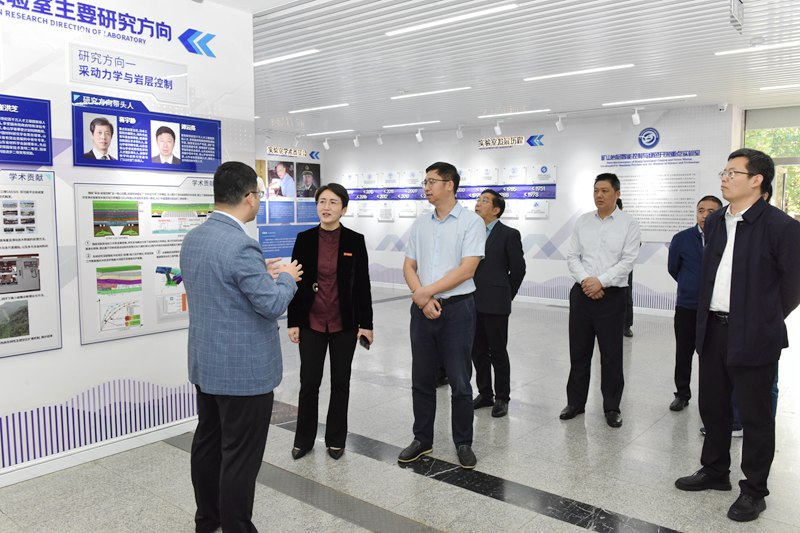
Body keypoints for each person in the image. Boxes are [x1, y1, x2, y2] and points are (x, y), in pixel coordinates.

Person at [675, 148, 800, 523]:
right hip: (713, 329)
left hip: (755, 334)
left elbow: (793, 284)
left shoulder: (781, 226)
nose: (725, 178)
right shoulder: (716, 222)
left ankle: (754, 490)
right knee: (713, 407)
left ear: (757, 180)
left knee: (755, 416)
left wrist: (764, 318)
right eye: (724, 171)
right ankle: (714, 471)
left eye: (733, 172)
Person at [180, 161, 302, 532]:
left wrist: (261, 276)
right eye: (259, 196)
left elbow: (223, 289)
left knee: (208, 443)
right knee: (240, 457)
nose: (259, 202)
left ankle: (208, 520)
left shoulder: (194, 238)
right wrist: (287, 279)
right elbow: (272, 304)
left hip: (207, 365)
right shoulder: (242, 245)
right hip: (243, 375)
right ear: (249, 197)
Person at [398, 162, 485, 469]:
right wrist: (422, 298)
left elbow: (467, 269)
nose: (426, 187)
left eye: (432, 181)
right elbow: (409, 265)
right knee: (421, 378)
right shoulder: (421, 223)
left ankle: (463, 442)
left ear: (450, 185)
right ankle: (422, 438)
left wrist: (426, 292)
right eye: (425, 182)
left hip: (457, 310)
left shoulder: (471, 222)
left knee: (460, 380)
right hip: (423, 310)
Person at [287, 183, 373, 461]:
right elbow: (296, 283)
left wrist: (367, 324)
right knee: (309, 382)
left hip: (343, 323)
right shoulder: (304, 239)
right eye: (322, 201)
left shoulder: (355, 241)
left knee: (341, 383)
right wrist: (293, 321)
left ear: (344, 209)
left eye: (333, 202)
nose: (326, 207)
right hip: (311, 322)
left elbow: (362, 285)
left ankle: (336, 439)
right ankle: (303, 439)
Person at [560, 173, 641, 428]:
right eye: (596, 190)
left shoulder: (629, 224)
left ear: (617, 194)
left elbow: (628, 261)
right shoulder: (583, 221)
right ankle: (575, 403)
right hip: (582, 294)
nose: (599, 195)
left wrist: (601, 281)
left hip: (612, 297)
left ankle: (612, 406)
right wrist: (587, 281)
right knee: (579, 352)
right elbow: (572, 256)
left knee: (611, 355)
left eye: (605, 190)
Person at [471, 189, 526, 418]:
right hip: (471, 301)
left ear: (496, 210)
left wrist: (505, 294)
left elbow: (519, 270)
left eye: (484, 200)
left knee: (498, 351)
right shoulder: (470, 232)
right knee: (477, 351)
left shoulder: (509, 234)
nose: (478, 203)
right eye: (478, 199)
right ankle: (485, 393)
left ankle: (502, 397)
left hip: (496, 304)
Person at [667, 195, 723, 412]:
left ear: (720, 214)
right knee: (684, 352)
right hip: (687, 306)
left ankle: (711, 398)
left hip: (715, 308)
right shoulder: (681, 238)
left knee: (711, 356)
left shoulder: (726, 238)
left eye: (711, 211)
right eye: (701, 210)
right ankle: (682, 394)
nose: (705, 215)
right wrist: (689, 284)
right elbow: (673, 268)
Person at [616, 198, 635, 337]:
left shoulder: (629, 223)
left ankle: (626, 326)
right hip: (606, 268)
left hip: (624, 267)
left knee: (626, 295)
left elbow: (635, 245)